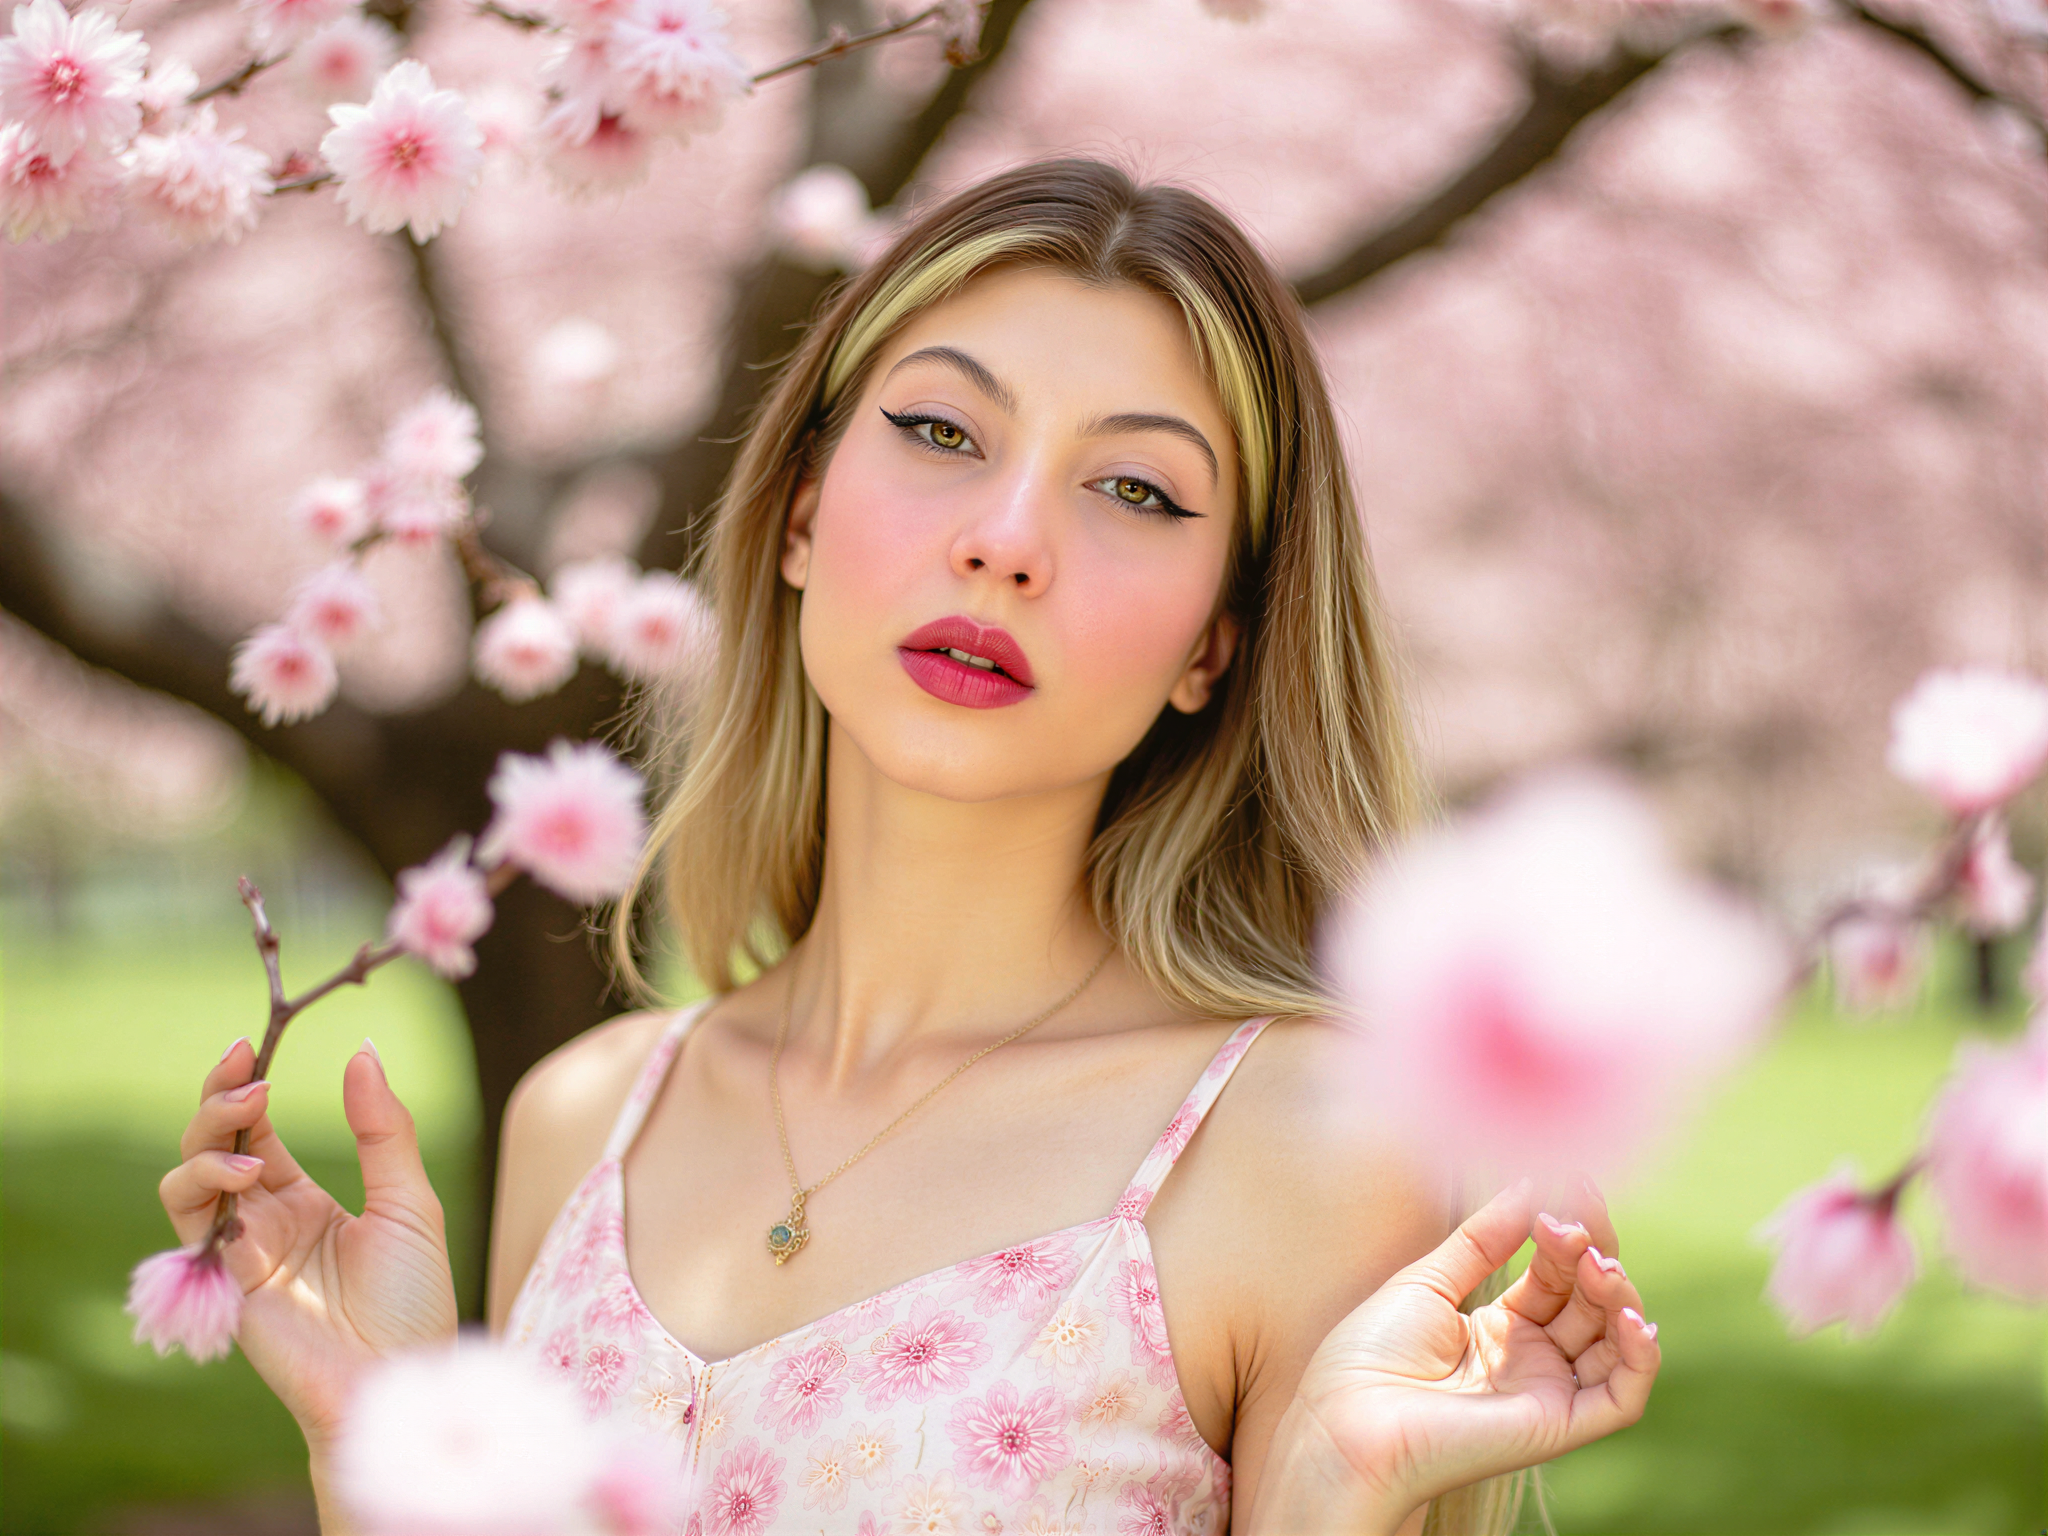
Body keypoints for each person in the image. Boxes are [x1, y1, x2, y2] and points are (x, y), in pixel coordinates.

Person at [157, 159, 1661, 1536]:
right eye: (941, 432)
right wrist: (374, 1464)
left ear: (1214, 643)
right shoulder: (584, 1122)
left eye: (1135, 489)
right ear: (801, 514)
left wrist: (1332, 1504)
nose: (1006, 540)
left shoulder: (1303, 1141)